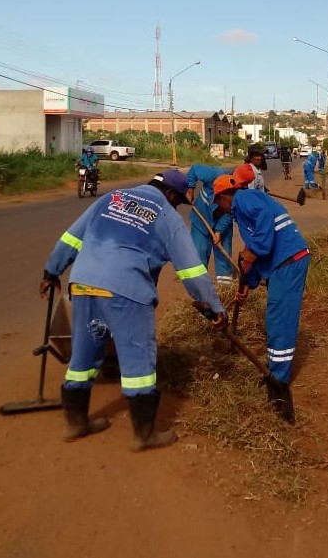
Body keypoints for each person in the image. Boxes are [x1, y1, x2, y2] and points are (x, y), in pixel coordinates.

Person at [40, 170, 228, 452]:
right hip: (126, 290)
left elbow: (71, 239)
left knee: (83, 355)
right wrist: (215, 309)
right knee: (138, 360)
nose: (176, 206)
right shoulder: (166, 214)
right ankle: (144, 435)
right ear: (172, 195)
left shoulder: (109, 199)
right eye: (178, 201)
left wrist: (50, 272)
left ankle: (75, 423)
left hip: (83, 285)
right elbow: (192, 271)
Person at [213, 174, 310, 422]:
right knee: (276, 320)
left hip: (289, 262)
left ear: (224, 198)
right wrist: (248, 283)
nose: (221, 209)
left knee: (279, 321)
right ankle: (276, 374)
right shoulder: (244, 205)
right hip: (282, 263)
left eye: (219, 204)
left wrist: (251, 252)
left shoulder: (243, 199)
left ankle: (278, 379)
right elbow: (257, 252)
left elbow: (262, 243)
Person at [186, 163, 254, 286]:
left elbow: (231, 213)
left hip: (223, 226)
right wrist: (190, 189)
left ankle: (225, 290)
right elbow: (194, 169)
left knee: (224, 258)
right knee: (199, 255)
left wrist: (219, 231)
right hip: (201, 221)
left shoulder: (240, 192)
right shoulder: (215, 174)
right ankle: (200, 290)